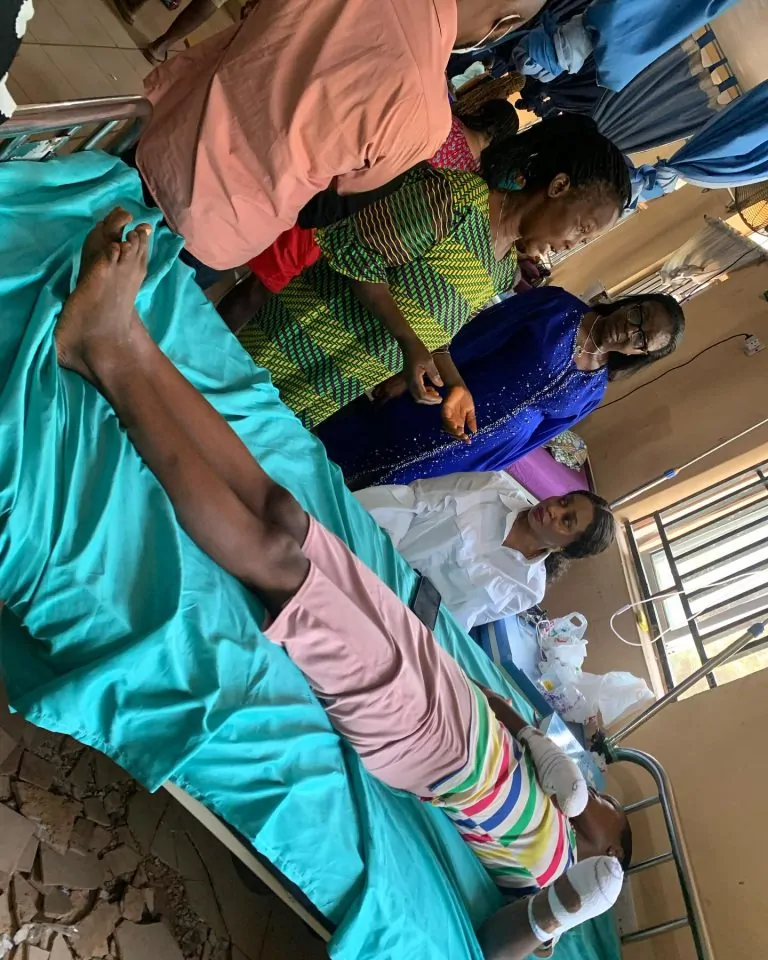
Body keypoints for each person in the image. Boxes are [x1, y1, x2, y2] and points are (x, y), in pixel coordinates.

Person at [54, 209, 630, 959]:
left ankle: (105, 354)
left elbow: (497, 948)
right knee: (284, 513)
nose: (599, 809)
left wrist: (570, 907)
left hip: (418, 734)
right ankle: (127, 337)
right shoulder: (555, 788)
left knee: (275, 561)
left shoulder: (549, 885)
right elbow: (497, 701)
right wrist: (529, 735)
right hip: (441, 677)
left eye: (610, 825)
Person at [234, 116, 631, 431]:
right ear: (558, 187)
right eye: (581, 229)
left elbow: (430, 332)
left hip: (335, 380)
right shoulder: (455, 201)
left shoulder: (500, 269)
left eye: (584, 240)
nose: (570, 243)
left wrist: (454, 382)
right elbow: (354, 253)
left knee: (247, 439)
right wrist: (408, 341)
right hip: (294, 340)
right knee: (218, 406)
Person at [132, 0, 547, 272]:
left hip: (161, 136)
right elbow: (327, 205)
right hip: (213, 225)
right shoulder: (425, 118)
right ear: (504, 25)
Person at [315, 285, 685, 488]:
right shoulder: (557, 306)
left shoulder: (595, 391)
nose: (631, 331)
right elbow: (475, 335)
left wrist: (476, 474)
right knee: (343, 445)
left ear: (640, 354)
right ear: (631, 302)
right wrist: (415, 371)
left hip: (470, 451)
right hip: (437, 400)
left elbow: (534, 440)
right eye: (639, 315)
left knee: (378, 492)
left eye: (642, 340)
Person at [232, 99, 521, 312]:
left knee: (250, 234)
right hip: (359, 222)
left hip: (343, 187)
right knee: (265, 283)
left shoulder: (445, 123)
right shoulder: (470, 180)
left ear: (482, 109)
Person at [356, 474, 615, 629]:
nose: (553, 509)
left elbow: (453, 625)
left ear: (565, 548)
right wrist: (375, 559)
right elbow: (412, 499)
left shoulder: (528, 590)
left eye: (566, 520)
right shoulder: (492, 486)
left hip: (396, 617)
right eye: (564, 501)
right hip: (369, 547)